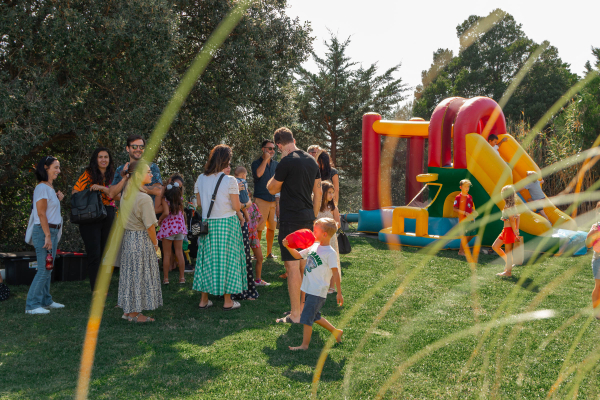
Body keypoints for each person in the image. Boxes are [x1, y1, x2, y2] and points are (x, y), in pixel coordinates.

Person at [267, 127, 322, 324]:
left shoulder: (286, 161)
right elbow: (319, 192)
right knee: (302, 267)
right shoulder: (311, 160)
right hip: (308, 218)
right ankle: (301, 310)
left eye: (277, 147)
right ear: (294, 139)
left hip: (291, 219)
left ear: (280, 145)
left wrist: (272, 181)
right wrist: (314, 217)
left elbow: (272, 188)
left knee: (292, 268)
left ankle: (296, 315)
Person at [193, 144, 247, 311]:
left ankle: (204, 300)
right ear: (226, 161)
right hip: (227, 223)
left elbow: (199, 204)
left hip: (208, 223)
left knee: (206, 260)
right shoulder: (230, 180)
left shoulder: (201, 178)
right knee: (228, 260)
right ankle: (227, 301)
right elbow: (237, 207)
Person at [278, 218, 343, 350]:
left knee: (307, 318)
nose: (312, 232)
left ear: (324, 234)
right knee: (314, 316)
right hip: (309, 289)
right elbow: (297, 256)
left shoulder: (330, 253)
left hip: (318, 291)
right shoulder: (314, 247)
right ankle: (336, 331)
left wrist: (339, 293)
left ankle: (304, 345)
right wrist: (288, 247)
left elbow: (335, 273)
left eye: (315, 230)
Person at [117, 160, 163, 322]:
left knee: (131, 275)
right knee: (139, 275)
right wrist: (155, 243)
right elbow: (150, 226)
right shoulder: (142, 198)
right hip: (140, 239)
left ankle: (129, 311)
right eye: (148, 172)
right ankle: (135, 314)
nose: (151, 174)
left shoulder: (127, 193)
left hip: (129, 238)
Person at [25, 156, 65, 314]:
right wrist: (47, 236)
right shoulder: (41, 188)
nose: (58, 171)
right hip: (44, 232)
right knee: (43, 269)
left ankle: (46, 300)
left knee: (49, 267)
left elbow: (49, 210)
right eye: (55, 167)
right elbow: (41, 214)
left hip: (52, 231)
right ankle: (32, 305)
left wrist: (57, 198)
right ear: (46, 168)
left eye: (59, 167)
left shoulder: (48, 188)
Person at [72, 147, 116, 292]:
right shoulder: (88, 174)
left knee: (104, 253)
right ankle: (96, 289)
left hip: (108, 212)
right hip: (91, 215)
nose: (103, 159)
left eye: (106, 157)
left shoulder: (113, 175)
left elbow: (117, 194)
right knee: (94, 253)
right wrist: (90, 191)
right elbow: (75, 192)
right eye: (100, 157)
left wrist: (101, 188)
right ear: (95, 159)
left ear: (109, 159)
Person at [109, 135, 162, 205]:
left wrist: (133, 186)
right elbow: (111, 194)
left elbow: (158, 190)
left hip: (145, 213)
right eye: (134, 147)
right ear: (127, 149)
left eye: (141, 147)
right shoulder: (121, 169)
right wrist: (124, 179)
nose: (138, 149)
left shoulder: (152, 167)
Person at [156, 175, 187, 285]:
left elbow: (165, 212)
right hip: (179, 229)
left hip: (168, 229)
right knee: (179, 253)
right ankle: (182, 278)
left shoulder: (165, 200)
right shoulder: (180, 199)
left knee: (167, 254)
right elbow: (182, 213)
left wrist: (160, 219)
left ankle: (166, 279)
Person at [251, 140, 279, 259]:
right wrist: (265, 160)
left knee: (272, 228)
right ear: (263, 149)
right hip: (261, 199)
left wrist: (278, 202)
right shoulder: (256, 163)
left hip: (274, 200)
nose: (272, 151)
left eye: (273, 149)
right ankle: (255, 254)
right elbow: (258, 174)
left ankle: (269, 253)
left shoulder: (277, 164)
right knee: (258, 228)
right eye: (269, 148)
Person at [317, 181, 342, 293]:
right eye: (329, 192)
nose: (332, 195)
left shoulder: (333, 208)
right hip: (318, 239)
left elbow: (338, 223)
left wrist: (330, 227)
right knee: (320, 261)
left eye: (333, 192)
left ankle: (332, 286)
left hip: (330, 239)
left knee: (331, 262)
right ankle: (320, 283)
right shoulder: (316, 207)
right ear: (322, 193)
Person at [493, 185, 521, 277]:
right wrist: (516, 229)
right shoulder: (511, 206)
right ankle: (508, 263)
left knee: (508, 252)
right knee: (495, 246)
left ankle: (508, 272)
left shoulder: (508, 207)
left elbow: (512, 219)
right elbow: (518, 217)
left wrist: (515, 231)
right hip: (506, 230)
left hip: (509, 230)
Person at [246, 194, 268, 286]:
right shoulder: (239, 207)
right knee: (244, 260)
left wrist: (255, 227)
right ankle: (244, 281)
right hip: (244, 235)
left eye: (249, 196)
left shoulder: (254, 206)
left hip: (254, 235)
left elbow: (262, 219)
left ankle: (258, 280)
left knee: (260, 257)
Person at [453, 179, 478, 257]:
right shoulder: (458, 197)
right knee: (465, 236)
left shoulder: (470, 197)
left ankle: (463, 248)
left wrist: (474, 211)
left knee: (472, 234)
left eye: (468, 186)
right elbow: (454, 208)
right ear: (460, 187)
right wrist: (464, 213)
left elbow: (471, 207)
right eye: (465, 186)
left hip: (471, 219)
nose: (467, 188)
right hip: (463, 220)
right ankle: (461, 251)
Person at [586, 202, 600, 319]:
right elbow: (588, 245)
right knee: (598, 286)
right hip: (598, 258)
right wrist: (591, 233)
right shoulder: (596, 227)